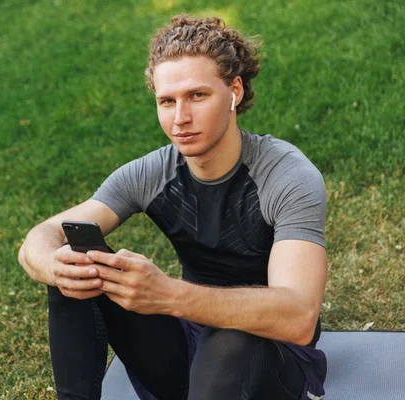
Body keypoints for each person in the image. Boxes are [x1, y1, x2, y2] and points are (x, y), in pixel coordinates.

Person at [18, 14, 328, 400]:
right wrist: (53, 265)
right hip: (186, 350)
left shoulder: (286, 175)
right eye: (167, 101)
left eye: (197, 96)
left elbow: (299, 317)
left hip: (272, 358)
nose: (180, 118)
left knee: (228, 340)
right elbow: (40, 237)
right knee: (76, 263)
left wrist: (168, 295)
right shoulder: (154, 172)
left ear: (234, 91)